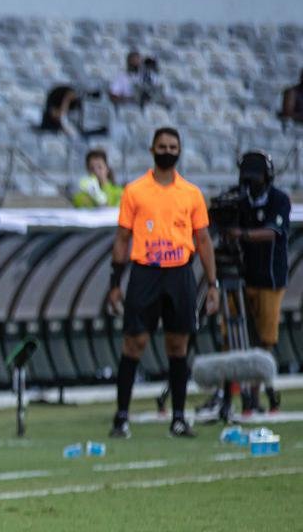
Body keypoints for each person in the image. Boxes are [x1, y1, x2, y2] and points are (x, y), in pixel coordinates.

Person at [107, 127, 218, 439]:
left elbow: (204, 240)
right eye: (162, 146)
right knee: (134, 343)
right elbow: (122, 238)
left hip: (180, 273)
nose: (167, 150)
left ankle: (179, 418)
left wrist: (212, 284)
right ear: (152, 149)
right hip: (145, 272)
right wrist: (115, 282)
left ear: (180, 150)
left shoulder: (192, 193)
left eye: (173, 146)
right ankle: (121, 417)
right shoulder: (135, 191)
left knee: (178, 344)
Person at [229, 150, 291, 413]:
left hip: (270, 278)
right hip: (243, 276)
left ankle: (255, 394)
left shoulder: (279, 200)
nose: (251, 184)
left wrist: (241, 234)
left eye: (256, 178)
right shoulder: (240, 201)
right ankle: (232, 393)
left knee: (264, 339)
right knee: (234, 334)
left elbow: (272, 232)